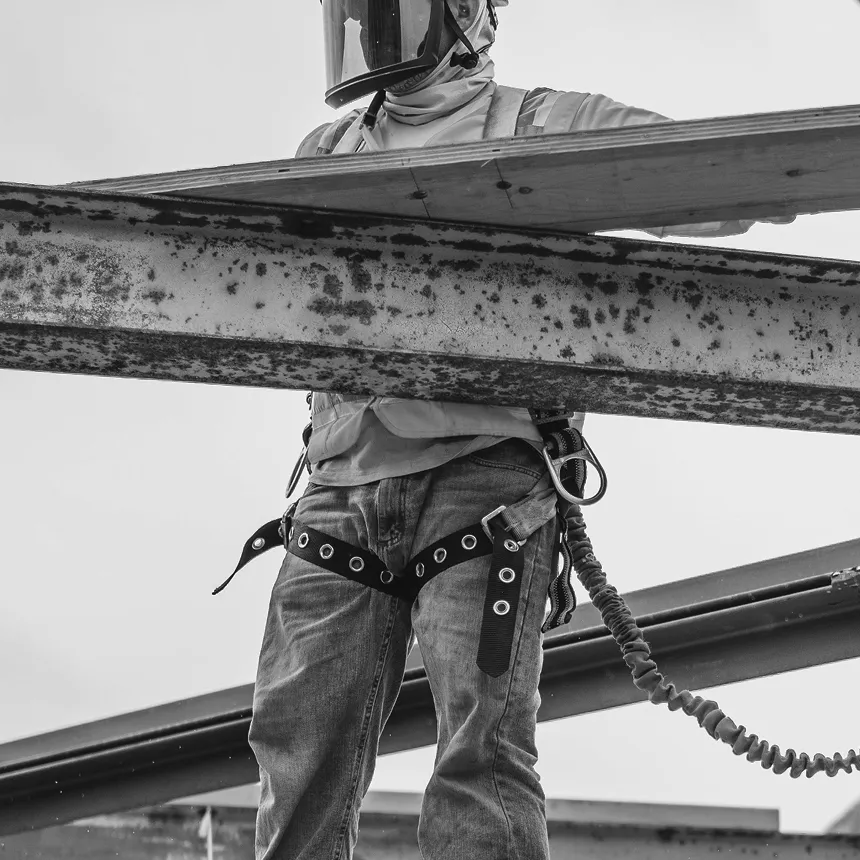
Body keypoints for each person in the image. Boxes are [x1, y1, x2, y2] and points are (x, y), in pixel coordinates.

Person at [246, 2, 792, 858]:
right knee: (297, 760)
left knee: (482, 766)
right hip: (339, 493)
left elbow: (727, 187)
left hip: (483, 488)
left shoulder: (548, 126)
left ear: (463, 17)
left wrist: (728, 175)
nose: (372, 30)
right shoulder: (330, 151)